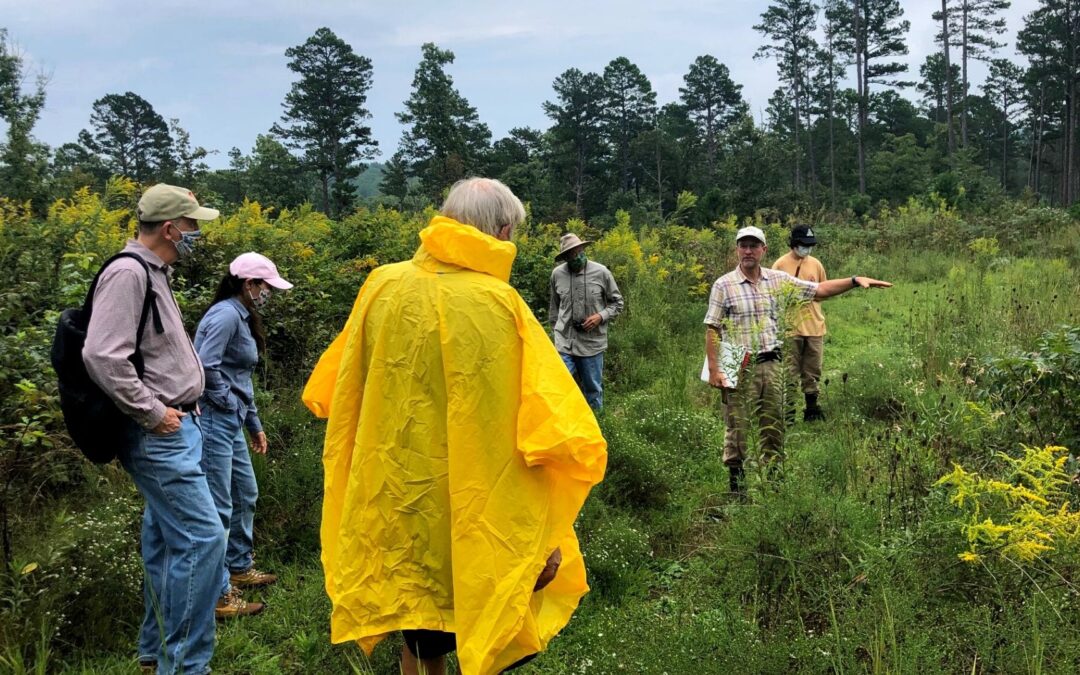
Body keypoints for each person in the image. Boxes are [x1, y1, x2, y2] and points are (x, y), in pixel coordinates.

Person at [303, 177, 607, 675]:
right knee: (485, 602)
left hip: (399, 493)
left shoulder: (381, 285)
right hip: (478, 497)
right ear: (503, 229)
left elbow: (334, 389)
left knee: (419, 615)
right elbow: (555, 422)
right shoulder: (498, 303)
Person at [82, 183, 224, 675]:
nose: (196, 234)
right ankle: (185, 667)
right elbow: (102, 354)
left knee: (166, 543)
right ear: (170, 228)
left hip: (176, 426)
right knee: (204, 540)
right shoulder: (128, 274)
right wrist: (151, 411)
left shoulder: (154, 271)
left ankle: (154, 654)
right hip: (157, 434)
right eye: (192, 226)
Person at [704, 225, 891, 494]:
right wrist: (714, 369)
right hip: (738, 363)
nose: (748, 251)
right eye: (743, 245)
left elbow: (819, 290)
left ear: (763, 250)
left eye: (753, 246)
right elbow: (712, 327)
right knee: (738, 426)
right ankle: (738, 487)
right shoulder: (723, 285)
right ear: (736, 249)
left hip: (772, 363)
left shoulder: (777, 280)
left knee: (774, 423)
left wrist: (853, 280)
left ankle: (775, 479)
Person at [194, 252, 294, 619]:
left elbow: (240, 379)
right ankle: (220, 594)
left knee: (245, 492)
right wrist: (225, 405)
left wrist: (253, 423)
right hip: (214, 422)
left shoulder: (240, 315)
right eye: (266, 286)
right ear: (249, 285)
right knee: (218, 506)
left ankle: (239, 566)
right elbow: (206, 367)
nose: (269, 294)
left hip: (231, 421)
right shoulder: (224, 316)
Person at [549, 233, 624, 411]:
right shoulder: (557, 275)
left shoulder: (602, 272)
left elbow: (617, 303)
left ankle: (597, 423)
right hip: (564, 341)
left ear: (583, 249)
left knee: (592, 388)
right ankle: (567, 422)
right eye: (570, 254)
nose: (576, 256)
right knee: (561, 384)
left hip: (592, 343)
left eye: (578, 251)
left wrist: (600, 316)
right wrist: (554, 333)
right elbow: (554, 308)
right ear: (565, 257)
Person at [772, 224, 828, 422]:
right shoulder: (779, 265)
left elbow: (822, 291)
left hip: (814, 325)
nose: (807, 249)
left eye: (810, 245)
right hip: (790, 328)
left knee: (813, 369)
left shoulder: (816, 264)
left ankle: (811, 409)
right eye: (804, 245)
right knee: (789, 371)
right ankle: (787, 412)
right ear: (794, 244)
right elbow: (774, 295)